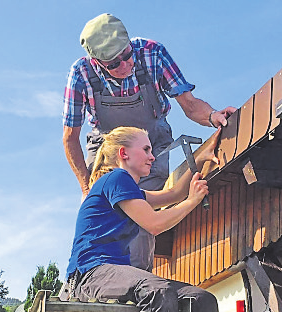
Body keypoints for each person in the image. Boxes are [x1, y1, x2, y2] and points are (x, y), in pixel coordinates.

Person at [62, 13, 236, 271]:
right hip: (106, 149)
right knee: (103, 218)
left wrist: (212, 116)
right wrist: (86, 188)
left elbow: (189, 104)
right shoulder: (81, 73)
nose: (124, 65)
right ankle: (95, 280)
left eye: (126, 55)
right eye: (113, 64)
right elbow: (70, 138)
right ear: (96, 61)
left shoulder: (152, 53)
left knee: (143, 225)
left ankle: (138, 285)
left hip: (151, 141)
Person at [66, 126, 225, 312]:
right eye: (147, 149)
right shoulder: (116, 178)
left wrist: (199, 158)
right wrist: (193, 201)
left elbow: (172, 196)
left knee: (203, 300)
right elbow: (154, 224)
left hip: (113, 273)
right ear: (124, 153)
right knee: (156, 290)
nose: (153, 156)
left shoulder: (129, 188)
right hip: (89, 275)